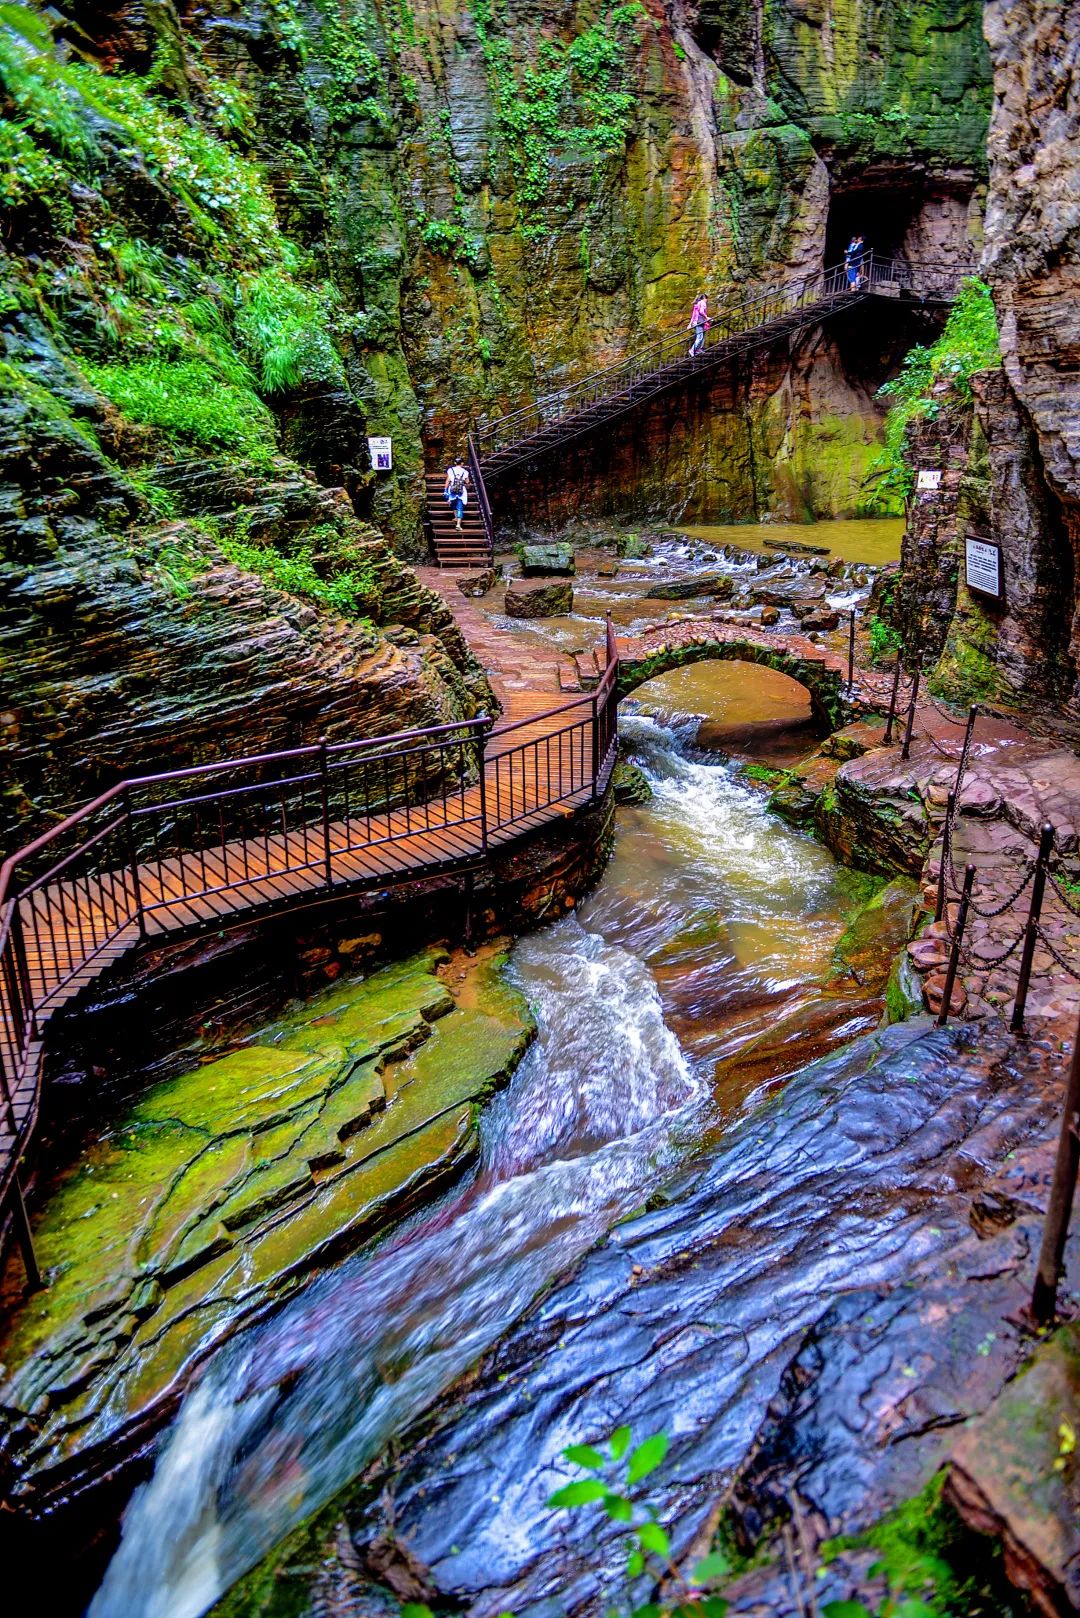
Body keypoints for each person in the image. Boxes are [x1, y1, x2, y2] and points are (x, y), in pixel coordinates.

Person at [444, 456, 470, 530]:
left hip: (452, 489)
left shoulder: (450, 470)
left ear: (455, 463)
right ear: (462, 463)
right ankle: (458, 525)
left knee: (453, 504)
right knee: (460, 507)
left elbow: (447, 481)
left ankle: (455, 517)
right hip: (461, 491)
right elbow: (467, 482)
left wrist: (445, 490)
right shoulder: (465, 471)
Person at [688, 292, 710, 357]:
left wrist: (690, 324)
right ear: (704, 298)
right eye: (706, 299)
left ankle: (698, 349)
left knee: (702, 337)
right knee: (700, 337)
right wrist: (706, 317)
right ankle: (692, 350)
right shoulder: (703, 303)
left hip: (697, 322)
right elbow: (701, 311)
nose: (707, 300)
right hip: (699, 322)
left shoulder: (697, 304)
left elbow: (693, 315)